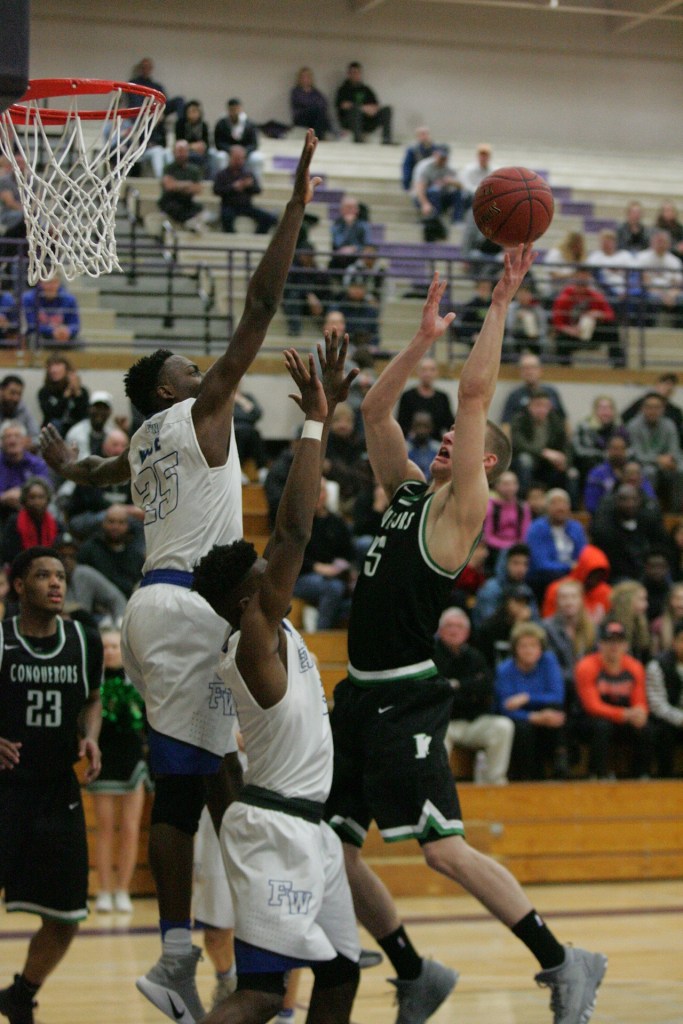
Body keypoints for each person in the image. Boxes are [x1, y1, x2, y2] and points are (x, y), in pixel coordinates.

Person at [38, 131, 323, 1024]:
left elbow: (97, 474)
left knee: (198, 783)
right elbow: (261, 303)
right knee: (224, 786)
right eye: (189, 370)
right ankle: (242, 962)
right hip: (193, 606)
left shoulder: (142, 441)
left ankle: (199, 960)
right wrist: (293, 209)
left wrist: (65, 464)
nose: (205, 372)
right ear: (170, 391)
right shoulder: (198, 414)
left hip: (153, 606)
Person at [325, 257, 607, 1024]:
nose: (446, 436)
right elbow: (376, 412)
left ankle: (562, 959)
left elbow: (475, 393)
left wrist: (500, 301)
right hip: (357, 697)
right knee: (329, 846)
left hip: (404, 699)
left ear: (484, 464)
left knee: (442, 849)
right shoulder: (409, 493)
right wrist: (419, 341)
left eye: (459, 436)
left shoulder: (460, 511)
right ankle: (415, 971)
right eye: (444, 433)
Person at [192, 334, 362, 1024]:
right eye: (263, 575)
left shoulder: (275, 628)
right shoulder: (253, 638)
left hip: (309, 830)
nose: (276, 575)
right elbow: (292, 532)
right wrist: (316, 420)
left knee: (341, 976)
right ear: (244, 600)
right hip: (275, 830)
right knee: (262, 994)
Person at [0, 546, 102, 1024]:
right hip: (5, 790)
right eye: (43, 575)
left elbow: (94, 697)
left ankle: (21, 994)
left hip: (58, 790)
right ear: (19, 586)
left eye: (60, 575)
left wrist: (91, 735)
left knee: (66, 916)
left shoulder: (83, 639)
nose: (56, 583)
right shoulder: (2, 640)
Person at [88, 627, 150, 915]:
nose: (111, 651)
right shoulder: (92, 684)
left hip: (133, 761)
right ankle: (104, 890)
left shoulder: (138, 681)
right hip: (103, 762)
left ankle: (123, 889)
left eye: (115, 646)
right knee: (104, 829)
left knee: (130, 828)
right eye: (106, 647)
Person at [434, 607, 514, 785]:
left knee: (503, 726)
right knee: (435, 734)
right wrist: (468, 689)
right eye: (449, 626)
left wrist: (456, 686)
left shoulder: (475, 656)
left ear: (467, 632)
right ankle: (438, 787)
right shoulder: (431, 656)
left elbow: (486, 688)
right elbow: (435, 693)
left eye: (459, 627)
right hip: (444, 722)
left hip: (473, 721)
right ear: (440, 631)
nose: (454, 630)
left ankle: (495, 782)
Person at [574, 618, 654, 778]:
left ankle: (641, 775)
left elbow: (640, 701)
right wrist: (624, 714)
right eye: (609, 641)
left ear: (626, 645)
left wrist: (640, 713)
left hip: (624, 718)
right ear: (600, 644)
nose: (614, 646)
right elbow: (592, 706)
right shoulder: (586, 666)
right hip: (590, 720)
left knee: (646, 728)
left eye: (619, 642)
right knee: (602, 727)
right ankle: (598, 775)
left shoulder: (635, 667)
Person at [494, 621, 567, 781]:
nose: (528, 650)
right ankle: (528, 777)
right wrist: (533, 717)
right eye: (523, 646)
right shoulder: (505, 670)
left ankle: (560, 770)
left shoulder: (548, 661)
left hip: (545, 716)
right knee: (523, 728)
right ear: (515, 649)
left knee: (555, 711)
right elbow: (505, 708)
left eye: (533, 645)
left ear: (541, 648)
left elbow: (557, 696)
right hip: (522, 721)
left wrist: (526, 697)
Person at [293, 478, 355, 630]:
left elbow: (349, 552)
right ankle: (321, 634)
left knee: (357, 594)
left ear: (326, 494)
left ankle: (319, 620)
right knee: (333, 588)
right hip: (302, 577)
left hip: (335, 574)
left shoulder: (337, 522)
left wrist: (342, 567)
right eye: (313, 491)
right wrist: (317, 567)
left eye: (320, 491)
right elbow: (291, 557)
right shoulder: (298, 523)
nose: (317, 496)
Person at [54, 531, 128, 628]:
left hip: (84, 629)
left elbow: (116, 598)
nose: (67, 561)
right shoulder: (47, 578)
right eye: (62, 556)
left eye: (71, 556)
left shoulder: (85, 574)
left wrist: (119, 624)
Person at [510, 388, 575, 497]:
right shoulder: (519, 419)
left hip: (548, 464)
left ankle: (567, 505)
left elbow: (566, 445)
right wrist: (543, 452)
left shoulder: (556, 421)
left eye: (545, 406)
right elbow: (519, 445)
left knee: (572, 473)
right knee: (525, 460)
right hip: (526, 460)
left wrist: (565, 460)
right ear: (529, 406)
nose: (541, 409)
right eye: (537, 405)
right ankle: (523, 499)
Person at [524, 488, 587, 601]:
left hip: (573, 573)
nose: (560, 508)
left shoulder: (576, 527)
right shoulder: (536, 528)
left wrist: (577, 568)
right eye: (554, 503)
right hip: (546, 576)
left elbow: (583, 555)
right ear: (547, 507)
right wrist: (569, 567)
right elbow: (540, 563)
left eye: (563, 503)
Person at [551, 268, 622, 367]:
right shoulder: (564, 298)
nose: (582, 285)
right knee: (560, 340)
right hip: (572, 334)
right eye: (579, 281)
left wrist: (598, 314)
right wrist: (571, 330)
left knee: (612, 330)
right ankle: (565, 369)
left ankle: (619, 366)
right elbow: (558, 323)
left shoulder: (595, 296)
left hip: (592, 332)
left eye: (585, 282)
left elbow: (610, 315)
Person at [626, 390, 683, 508]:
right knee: (649, 472)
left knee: (680, 470)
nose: (653, 411)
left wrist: (671, 460)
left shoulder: (669, 425)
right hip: (643, 464)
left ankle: (676, 510)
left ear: (663, 409)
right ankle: (649, 507)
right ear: (643, 409)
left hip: (667, 464)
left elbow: (674, 449)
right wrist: (658, 460)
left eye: (657, 407)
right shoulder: (633, 425)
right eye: (649, 407)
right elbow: (637, 454)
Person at [77, 504, 145, 600]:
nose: (115, 527)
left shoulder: (135, 555)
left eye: (121, 522)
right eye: (111, 521)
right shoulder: (90, 549)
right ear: (103, 523)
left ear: (128, 526)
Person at [213, 146, 278, 235]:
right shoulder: (222, 174)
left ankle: (257, 237)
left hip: (246, 206)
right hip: (229, 206)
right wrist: (233, 188)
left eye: (241, 158)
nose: (239, 161)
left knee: (269, 218)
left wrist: (249, 186)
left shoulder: (248, 173)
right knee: (226, 218)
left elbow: (258, 190)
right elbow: (216, 190)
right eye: (236, 158)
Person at [646, 621, 683, 777]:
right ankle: (665, 778)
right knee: (662, 731)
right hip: (666, 719)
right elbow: (657, 705)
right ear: (674, 642)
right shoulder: (657, 665)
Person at [541, 544, 612, 623]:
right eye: (592, 574)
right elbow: (548, 621)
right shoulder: (557, 589)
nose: (594, 579)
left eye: (599, 574)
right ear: (583, 569)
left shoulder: (605, 592)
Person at [472, 542, 536, 629]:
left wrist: (528, 619)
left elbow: (538, 626)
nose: (521, 569)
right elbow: (485, 625)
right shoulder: (491, 589)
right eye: (516, 563)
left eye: (525, 564)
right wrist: (513, 618)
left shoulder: (526, 590)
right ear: (504, 563)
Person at [499, 352, 567, 432]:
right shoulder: (514, 396)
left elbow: (564, 419)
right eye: (525, 368)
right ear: (520, 372)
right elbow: (505, 423)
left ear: (541, 370)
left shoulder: (551, 392)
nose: (529, 372)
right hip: (521, 437)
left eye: (533, 368)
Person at [571, 395, 630, 484]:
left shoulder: (620, 429)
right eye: (602, 408)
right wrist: (604, 455)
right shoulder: (584, 427)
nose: (605, 412)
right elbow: (579, 450)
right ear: (594, 411)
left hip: (616, 461)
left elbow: (629, 448)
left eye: (609, 408)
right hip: (590, 462)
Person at [2, 476, 60, 565]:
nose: (37, 502)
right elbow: (8, 554)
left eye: (41, 497)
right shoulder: (14, 523)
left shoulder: (57, 525)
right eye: (32, 497)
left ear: (48, 499)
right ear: (24, 500)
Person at [396, 355, 454, 441]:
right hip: (412, 442)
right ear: (418, 372)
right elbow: (401, 424)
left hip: (436, 442)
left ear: (437, 373)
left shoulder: (442, 398)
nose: (428, 373)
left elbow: (449, 424)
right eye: (424, 370)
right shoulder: (407, 396)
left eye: (432, 370)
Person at [335, 61, 392, 144]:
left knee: (387, 110)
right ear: (349, 74)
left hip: (368, 121)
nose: (355, 75)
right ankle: (358, 140)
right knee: (355, 110)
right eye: (353, 73)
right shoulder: (343, 89)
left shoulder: (366, 89)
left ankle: (387, 139)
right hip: (350, 122)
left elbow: (375, 105)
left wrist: (371, 110)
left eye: (357, 72)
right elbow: (343, 105)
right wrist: (362, 108)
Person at [412, 145, 463, 233]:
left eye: (444, 157)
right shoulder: (426, 168)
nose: (442, 160)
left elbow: (461, 186)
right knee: (434, 191)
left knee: (459, 193)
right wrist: (425, 204)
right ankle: (435, 218)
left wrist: (452, 182)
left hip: (441, 197)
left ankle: (457, 220)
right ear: (435, 155)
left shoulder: (449, 169)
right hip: (426, 197)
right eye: (441, 157)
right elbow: (420, 188)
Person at [621, 372, 683, 443]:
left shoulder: (676, 411)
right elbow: (625, 417)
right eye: (666, 384)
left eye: (672, 386)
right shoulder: (641, 403)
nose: (669, 388)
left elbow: (677, 434)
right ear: (657, 385)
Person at [22, 273, 81, 347]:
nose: (51, 286)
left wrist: (68, 331)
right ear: (40, 283)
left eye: (54, 282)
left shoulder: (69, 299)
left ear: (59, 283)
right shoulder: (29, 298)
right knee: (33, 339)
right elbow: (31, 325)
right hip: (42, 335)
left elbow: (75, 325)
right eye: (48, 282)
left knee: (79, 342)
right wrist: (51, 331)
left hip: (63, 336)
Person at [482, 470, 531, 559]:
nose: (510, 488)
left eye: (513, 484)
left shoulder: (523, 507)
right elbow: (488, 535)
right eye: (506, 484)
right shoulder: (490, 506)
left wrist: (514, 547)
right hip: (495, 550)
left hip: (517, 549)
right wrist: (507, 547)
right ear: (497, 486)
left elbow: (525, 534)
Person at [37, 354, 90, 436]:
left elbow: (84, 415)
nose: (53, 370)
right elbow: (51, 414)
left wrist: (77, 393)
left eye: (57, 365)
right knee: (54, 423)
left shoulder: (82, 391)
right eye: (51, 366)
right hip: (54, 431)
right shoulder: (44, 392)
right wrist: (66, 396)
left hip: (76, 431)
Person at [158, 140, 205, 231]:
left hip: (186, 201)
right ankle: (189, 222)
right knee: (173, 208)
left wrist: (177, 185)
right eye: (179, 151)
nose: (181, 154)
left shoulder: (194, 170)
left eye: (184, 151)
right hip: (170, 200)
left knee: (199, 207)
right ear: (174, 152)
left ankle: (190, 221)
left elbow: (197, 189)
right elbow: (169, 186)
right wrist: (187, 185)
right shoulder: (168, 168)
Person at [582, 434, 631, 516]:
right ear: (608, 450)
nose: (618, 453)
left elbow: (648, 496)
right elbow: (591, 504)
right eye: (615, 449)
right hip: (605, 516)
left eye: (622, 449)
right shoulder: (597, 473)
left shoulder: (633, 473)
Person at [290, 67, 334, 139]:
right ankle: (320, 136)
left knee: (321, 114)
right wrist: (313, 105)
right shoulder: (296, 92)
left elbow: (324, 104)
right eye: (303, 77)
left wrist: (314, 106)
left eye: (308, 77)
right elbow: (303, 103)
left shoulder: (316, 92)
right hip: (302, 118)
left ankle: (324, 135)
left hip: (315, 117)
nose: (305, 79)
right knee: (316, 111)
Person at [175, 100, 211, 176]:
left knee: (211, 156)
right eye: (190, 112)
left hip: (201, 151)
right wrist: (192, 146)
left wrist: (203, 146)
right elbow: (179, 141)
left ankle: (208, 179)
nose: (192, 114)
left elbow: (206, 143)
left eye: (194, 111)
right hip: (185, 150)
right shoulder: (180, 124)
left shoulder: (203, 125)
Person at [0, 375, 39, 445]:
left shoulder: (23, 410)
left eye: (19, 394)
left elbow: (37, 437)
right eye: (12, 393)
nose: (16, 398)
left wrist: (29, 442)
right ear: (1, 391)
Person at [401, 126, 437, 192]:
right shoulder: (412, 150)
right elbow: (407, 166)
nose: (425, 136)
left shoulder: (436, 149)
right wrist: (406, 183)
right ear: (417, 137)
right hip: (418, 178)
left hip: (432, 178)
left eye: (426, 134)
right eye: (422, 134)